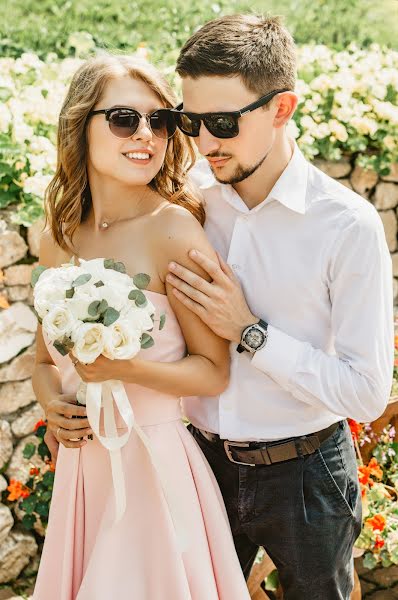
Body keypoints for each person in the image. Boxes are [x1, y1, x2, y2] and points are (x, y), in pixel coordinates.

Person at [165, 14, 395, 600]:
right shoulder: (184, 200)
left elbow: (367, 393)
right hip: (201, 465)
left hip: (309, 475)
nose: (204, 143)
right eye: (192, 121)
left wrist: (250, 332)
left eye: (221, 122)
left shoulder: (346, 226)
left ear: (282, 108)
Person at [32, 54, 251, 600]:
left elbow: (213, 372)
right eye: (125, 118)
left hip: (154, 471)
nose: (146, 135)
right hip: (83, 470)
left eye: (161, 121)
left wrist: (121, 368)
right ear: (80, 124)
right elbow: (42, 362)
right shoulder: (55, 236)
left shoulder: (172, 229)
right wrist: (50, 404)